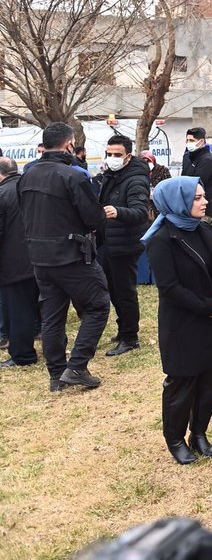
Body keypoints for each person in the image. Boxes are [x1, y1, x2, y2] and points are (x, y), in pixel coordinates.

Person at [143, 177, 212, 464]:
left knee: (209, 383)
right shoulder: (161, 240)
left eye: (204, 196)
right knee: (182, 385)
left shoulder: (205, 230)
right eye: (197, 198)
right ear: (177, 201)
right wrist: (208, 307)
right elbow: (170, 288)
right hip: (183, 324)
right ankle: (176, 439)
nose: (204, 202)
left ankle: (200, 433)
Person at [18, 122, 110, 392]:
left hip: (39, 257)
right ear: (70, 145)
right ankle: (77, 367)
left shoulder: (27, 175)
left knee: (52, 316)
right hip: (71, 256)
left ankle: (57, 375)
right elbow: (93, 217)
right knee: (99, 305)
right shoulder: (73, 176)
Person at [98, 135, 152, 357]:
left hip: (125, 244)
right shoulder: (111, 175)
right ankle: (123, 330)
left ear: (128, 157)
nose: (112, 158)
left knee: (124, 291)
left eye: (117, 155)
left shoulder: (136, 179)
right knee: (113, 289)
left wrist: (117, 212)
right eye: (109, 154)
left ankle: (130, 337)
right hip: (109, 242)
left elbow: (140, 213)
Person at [0, 158, 38, 368]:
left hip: (14, 262)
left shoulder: (3, 194)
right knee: (47, 308)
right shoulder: (30, 188)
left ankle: (23, 355)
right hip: (42, 257)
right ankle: (55, 347)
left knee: (18, 310)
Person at [181, 127, 212, 220]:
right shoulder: (187, 156)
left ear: (201, 141)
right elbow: (183, 177)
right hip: (187, 207)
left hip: (202, 210)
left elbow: (196, 183)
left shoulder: (208, 160)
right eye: (187, 140)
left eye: (191, 140)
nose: (188, 143)